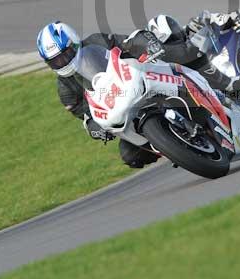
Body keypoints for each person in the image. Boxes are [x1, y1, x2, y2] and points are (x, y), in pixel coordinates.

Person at [36, 21, 160, 169]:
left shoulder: (99, 41)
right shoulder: (66, 88)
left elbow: (127, 43)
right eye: (55, 61)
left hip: (139, 84)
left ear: (73, 42)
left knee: (173, 52)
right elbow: (85, 113)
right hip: (122, 112)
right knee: (130, 155)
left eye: (65, 55)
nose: (63, 62)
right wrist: (93, 125)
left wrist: (142, 49)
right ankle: (174, 151)